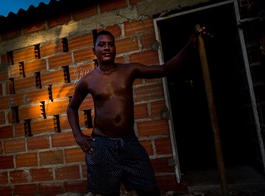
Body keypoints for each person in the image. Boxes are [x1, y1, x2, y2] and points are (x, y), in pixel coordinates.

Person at [67, 28, 206, 196]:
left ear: (115, 48)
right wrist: (78, 135)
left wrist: (188, 47)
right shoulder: (88, 80)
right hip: (103, 144)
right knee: (106, 193)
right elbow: (71, 107)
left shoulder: (129, 70)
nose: (106, 48)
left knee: (149, 189)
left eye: (110, 45)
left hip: (129, 142)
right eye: (102, 45)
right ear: (94, 50)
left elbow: (163, 69)